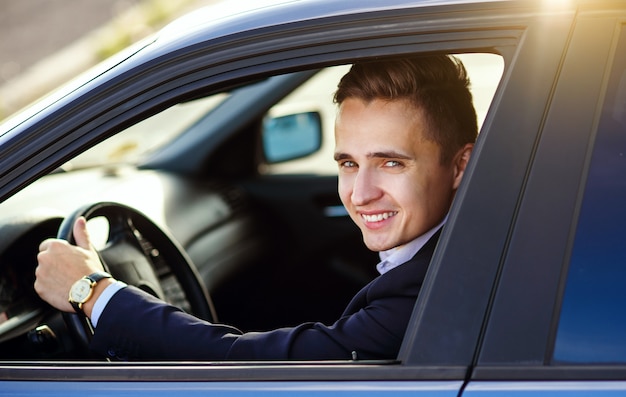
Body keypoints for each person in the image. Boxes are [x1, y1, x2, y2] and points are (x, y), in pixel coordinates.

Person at [35, 54, 477, 360]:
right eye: (347, 163)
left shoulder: (434, 292)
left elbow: (242, 362)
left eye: (391, 163)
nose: (360, 194)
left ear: (460, 165)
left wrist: (90, 292)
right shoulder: (465, 244)